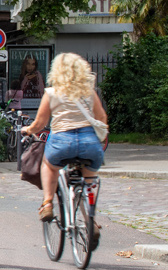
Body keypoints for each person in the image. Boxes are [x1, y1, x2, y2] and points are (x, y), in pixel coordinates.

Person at [23, 52, 108, 222]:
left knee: (49, 166)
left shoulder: (52, 93)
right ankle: (90, 220)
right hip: (89, 144)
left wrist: (29, 130)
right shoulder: (89, 92)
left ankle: (47, 203)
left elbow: (40, 123)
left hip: (62, 142)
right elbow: (101, 118)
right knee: (88, 182)